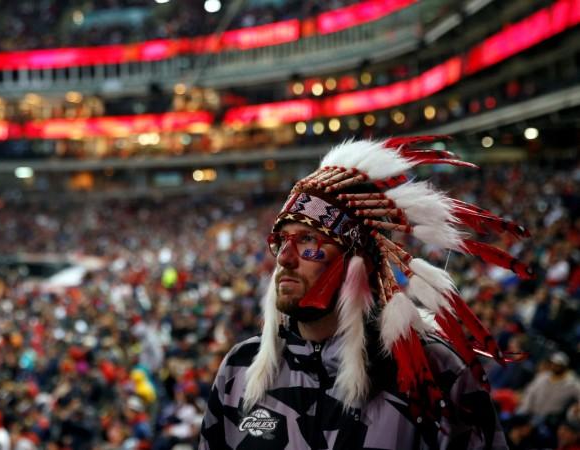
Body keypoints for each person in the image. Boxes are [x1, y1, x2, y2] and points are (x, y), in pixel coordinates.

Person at [199, 137, 531, 450]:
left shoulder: (435, 374)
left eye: (308, 241)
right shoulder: (240, 369)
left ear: (358, 262)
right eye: (281, 241)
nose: (284, 258)